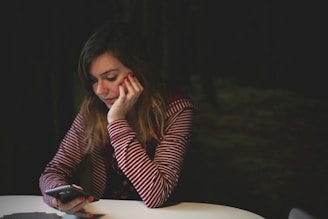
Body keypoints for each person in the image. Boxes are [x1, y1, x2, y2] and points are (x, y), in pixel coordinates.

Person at [39, 21, 197, 218]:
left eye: (111, 77)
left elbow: (156, 195)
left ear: (139, 71)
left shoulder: (176, 109)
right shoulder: (93, 110)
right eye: (93, 80)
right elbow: (53, 171)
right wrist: (60, 196)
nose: (99, 90)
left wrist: (116, 120)